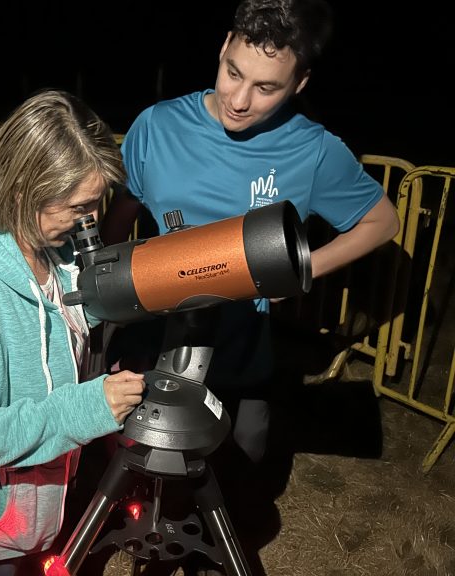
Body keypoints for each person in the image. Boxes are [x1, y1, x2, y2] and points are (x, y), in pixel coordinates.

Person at [99, 0, 400, 572]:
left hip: (243, 348)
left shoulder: (312, 150)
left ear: (300, 82)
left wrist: (301, 267)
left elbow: (383, 221)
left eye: (266, 88)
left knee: (238, 473)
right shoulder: (157, 126)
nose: (240, 101)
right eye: (233, 72)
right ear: (222, 48)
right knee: (144, 470)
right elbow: (123, 212)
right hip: (161, 334)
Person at [0, 89, 146, 576]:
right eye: (78, 207)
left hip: (45, 499)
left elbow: (63, 315)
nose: (92, 220)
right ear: (23, 191)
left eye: (95, 203)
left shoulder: (46, 248)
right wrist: (87, 409)